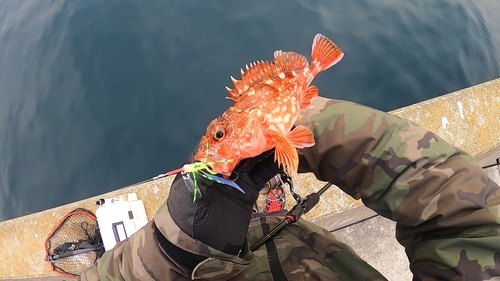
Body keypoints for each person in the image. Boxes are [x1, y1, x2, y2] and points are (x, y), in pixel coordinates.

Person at [79, 96, 500, 280]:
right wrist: (308, 125)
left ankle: (254, 216)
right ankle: (268, 210)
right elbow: (476, 228)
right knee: (264, 201)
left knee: (227, 205)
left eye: (220, 138)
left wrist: (172, 253)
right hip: (321, 261)